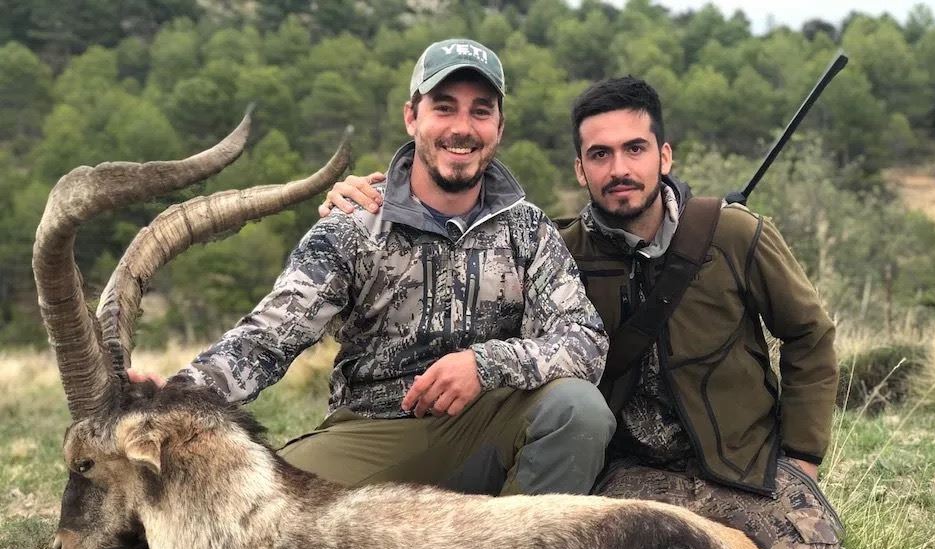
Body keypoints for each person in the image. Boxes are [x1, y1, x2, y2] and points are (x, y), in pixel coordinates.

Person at [321, 76, 857, 549]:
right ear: (581, 170)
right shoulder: (556, 253)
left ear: (664, 156)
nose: (619, 168)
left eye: (635, 149)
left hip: (744, 470)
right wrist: (369, 201)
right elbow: (467, 260)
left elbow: (810, 335)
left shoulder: (736, 235)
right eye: (600, 154)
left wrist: (801, 459)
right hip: (626, 478)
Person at [151, 39, 615, 496]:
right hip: (374, 433)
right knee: (260, 502)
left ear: (499, 126)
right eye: (444, 108)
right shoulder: (353, 228)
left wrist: (484, 364)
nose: (462, 128)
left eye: (481, 111)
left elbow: (586, 341)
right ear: (411, 116)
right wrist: (173, 397)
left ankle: (517, 547)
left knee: (579, 410)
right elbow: (266, 338)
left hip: (489, 428)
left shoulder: (527, 229)